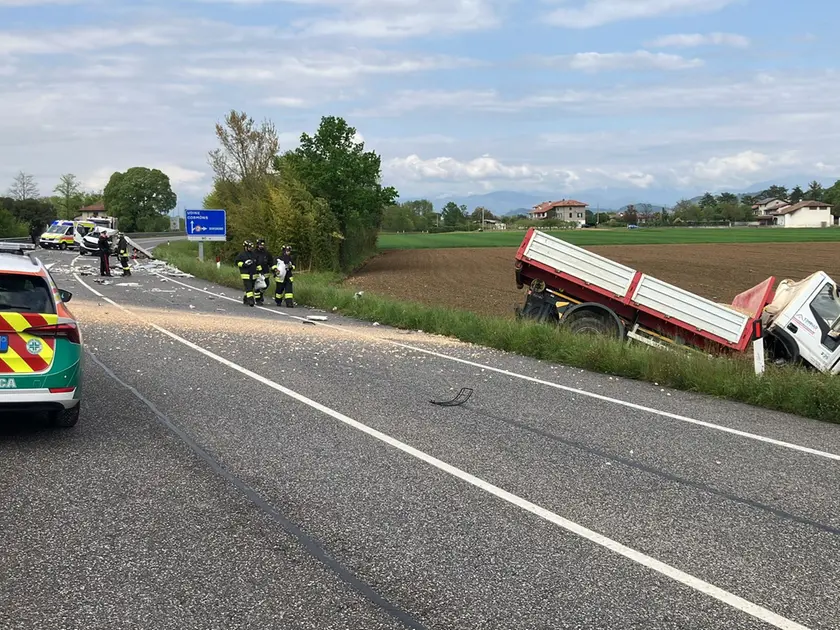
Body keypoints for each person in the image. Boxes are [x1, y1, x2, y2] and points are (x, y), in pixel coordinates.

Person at [252, 238, 276, 306]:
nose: (261, 246)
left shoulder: (267, 253)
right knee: (258, 286)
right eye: (260, 245)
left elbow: (271, 263)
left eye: (262, 245)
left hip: (265, 272)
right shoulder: (253, 253)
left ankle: (261, 294)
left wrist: (274, 269)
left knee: (266, 285)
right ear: (257, 245)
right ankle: (258, 300)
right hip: (257, 273)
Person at [235, 240, 258, 306]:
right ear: (245, 247)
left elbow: (257, 263)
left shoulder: (253, 254)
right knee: (249, 288)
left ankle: (245, 299)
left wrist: (259, 270)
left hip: (253, 274)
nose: (250, 248)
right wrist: (244, 264)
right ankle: (251, 301)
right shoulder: (241, 255)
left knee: (250, 288)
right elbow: (237, 262)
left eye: (251, 247)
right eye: (249, 247)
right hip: (245, 274)